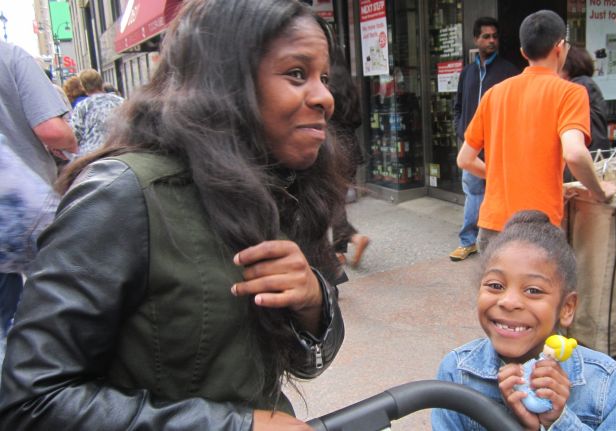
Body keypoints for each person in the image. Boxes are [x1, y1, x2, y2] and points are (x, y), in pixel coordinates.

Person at [0, 1, 346, 430]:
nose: (325, 97)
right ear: (224, 78)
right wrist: (236, 426)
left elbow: (303, 361)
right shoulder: (122, 194)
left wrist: (313, 301)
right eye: (296, 73)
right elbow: (30, 403)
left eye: (324, 78)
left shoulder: (277, 188)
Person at [432, 210, 616, 430]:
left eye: (533, 290)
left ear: (567, 308)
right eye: (495, 285)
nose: (509, 302)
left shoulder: (606, 382)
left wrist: (557, 422)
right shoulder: (457, 372)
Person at [457, 11, 616, 252]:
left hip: (492, 228)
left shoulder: (493, 94)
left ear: (523, 52)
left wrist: (503, 177)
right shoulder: (570, 93)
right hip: (538, 229)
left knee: (495, 279)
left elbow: (465, 159)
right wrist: (600, 191)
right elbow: (574, 153)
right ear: (560, 47)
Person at [0, 41, 76, 362]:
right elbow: (52, 130)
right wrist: (73, 142)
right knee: (63, 294)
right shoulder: (10, 57)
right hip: (17, 210)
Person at [450, 17, 518, 262]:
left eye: (494, 37)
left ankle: (501, 244)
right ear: (475, 39)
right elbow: (458, 105)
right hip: (472, 147)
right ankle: (468, 242)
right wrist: (461, 130)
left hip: (500, 147)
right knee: (473, 193)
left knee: (501, 195)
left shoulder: (509, 72)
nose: (491, 41)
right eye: (486, 36)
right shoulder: (467, 73)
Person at [329, 46, 370, 269]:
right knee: (338, 198)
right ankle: (339, 252)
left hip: (333, 146)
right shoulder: (350, 87)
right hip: (351, 146)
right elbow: (358, 120)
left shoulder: (326, 85)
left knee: (332, 201)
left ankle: (354, 237)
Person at [560, 47, 609, 155]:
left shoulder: (579, 86)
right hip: (594, 150)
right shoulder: (586, 83)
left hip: (589, 152)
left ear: (568, 66)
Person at [69, 68, 125, 158]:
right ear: (101, 82)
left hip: (92, 156)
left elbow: (75, 134)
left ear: (82, 86)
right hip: (119, 151)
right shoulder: (121, 101)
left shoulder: (83, 106)